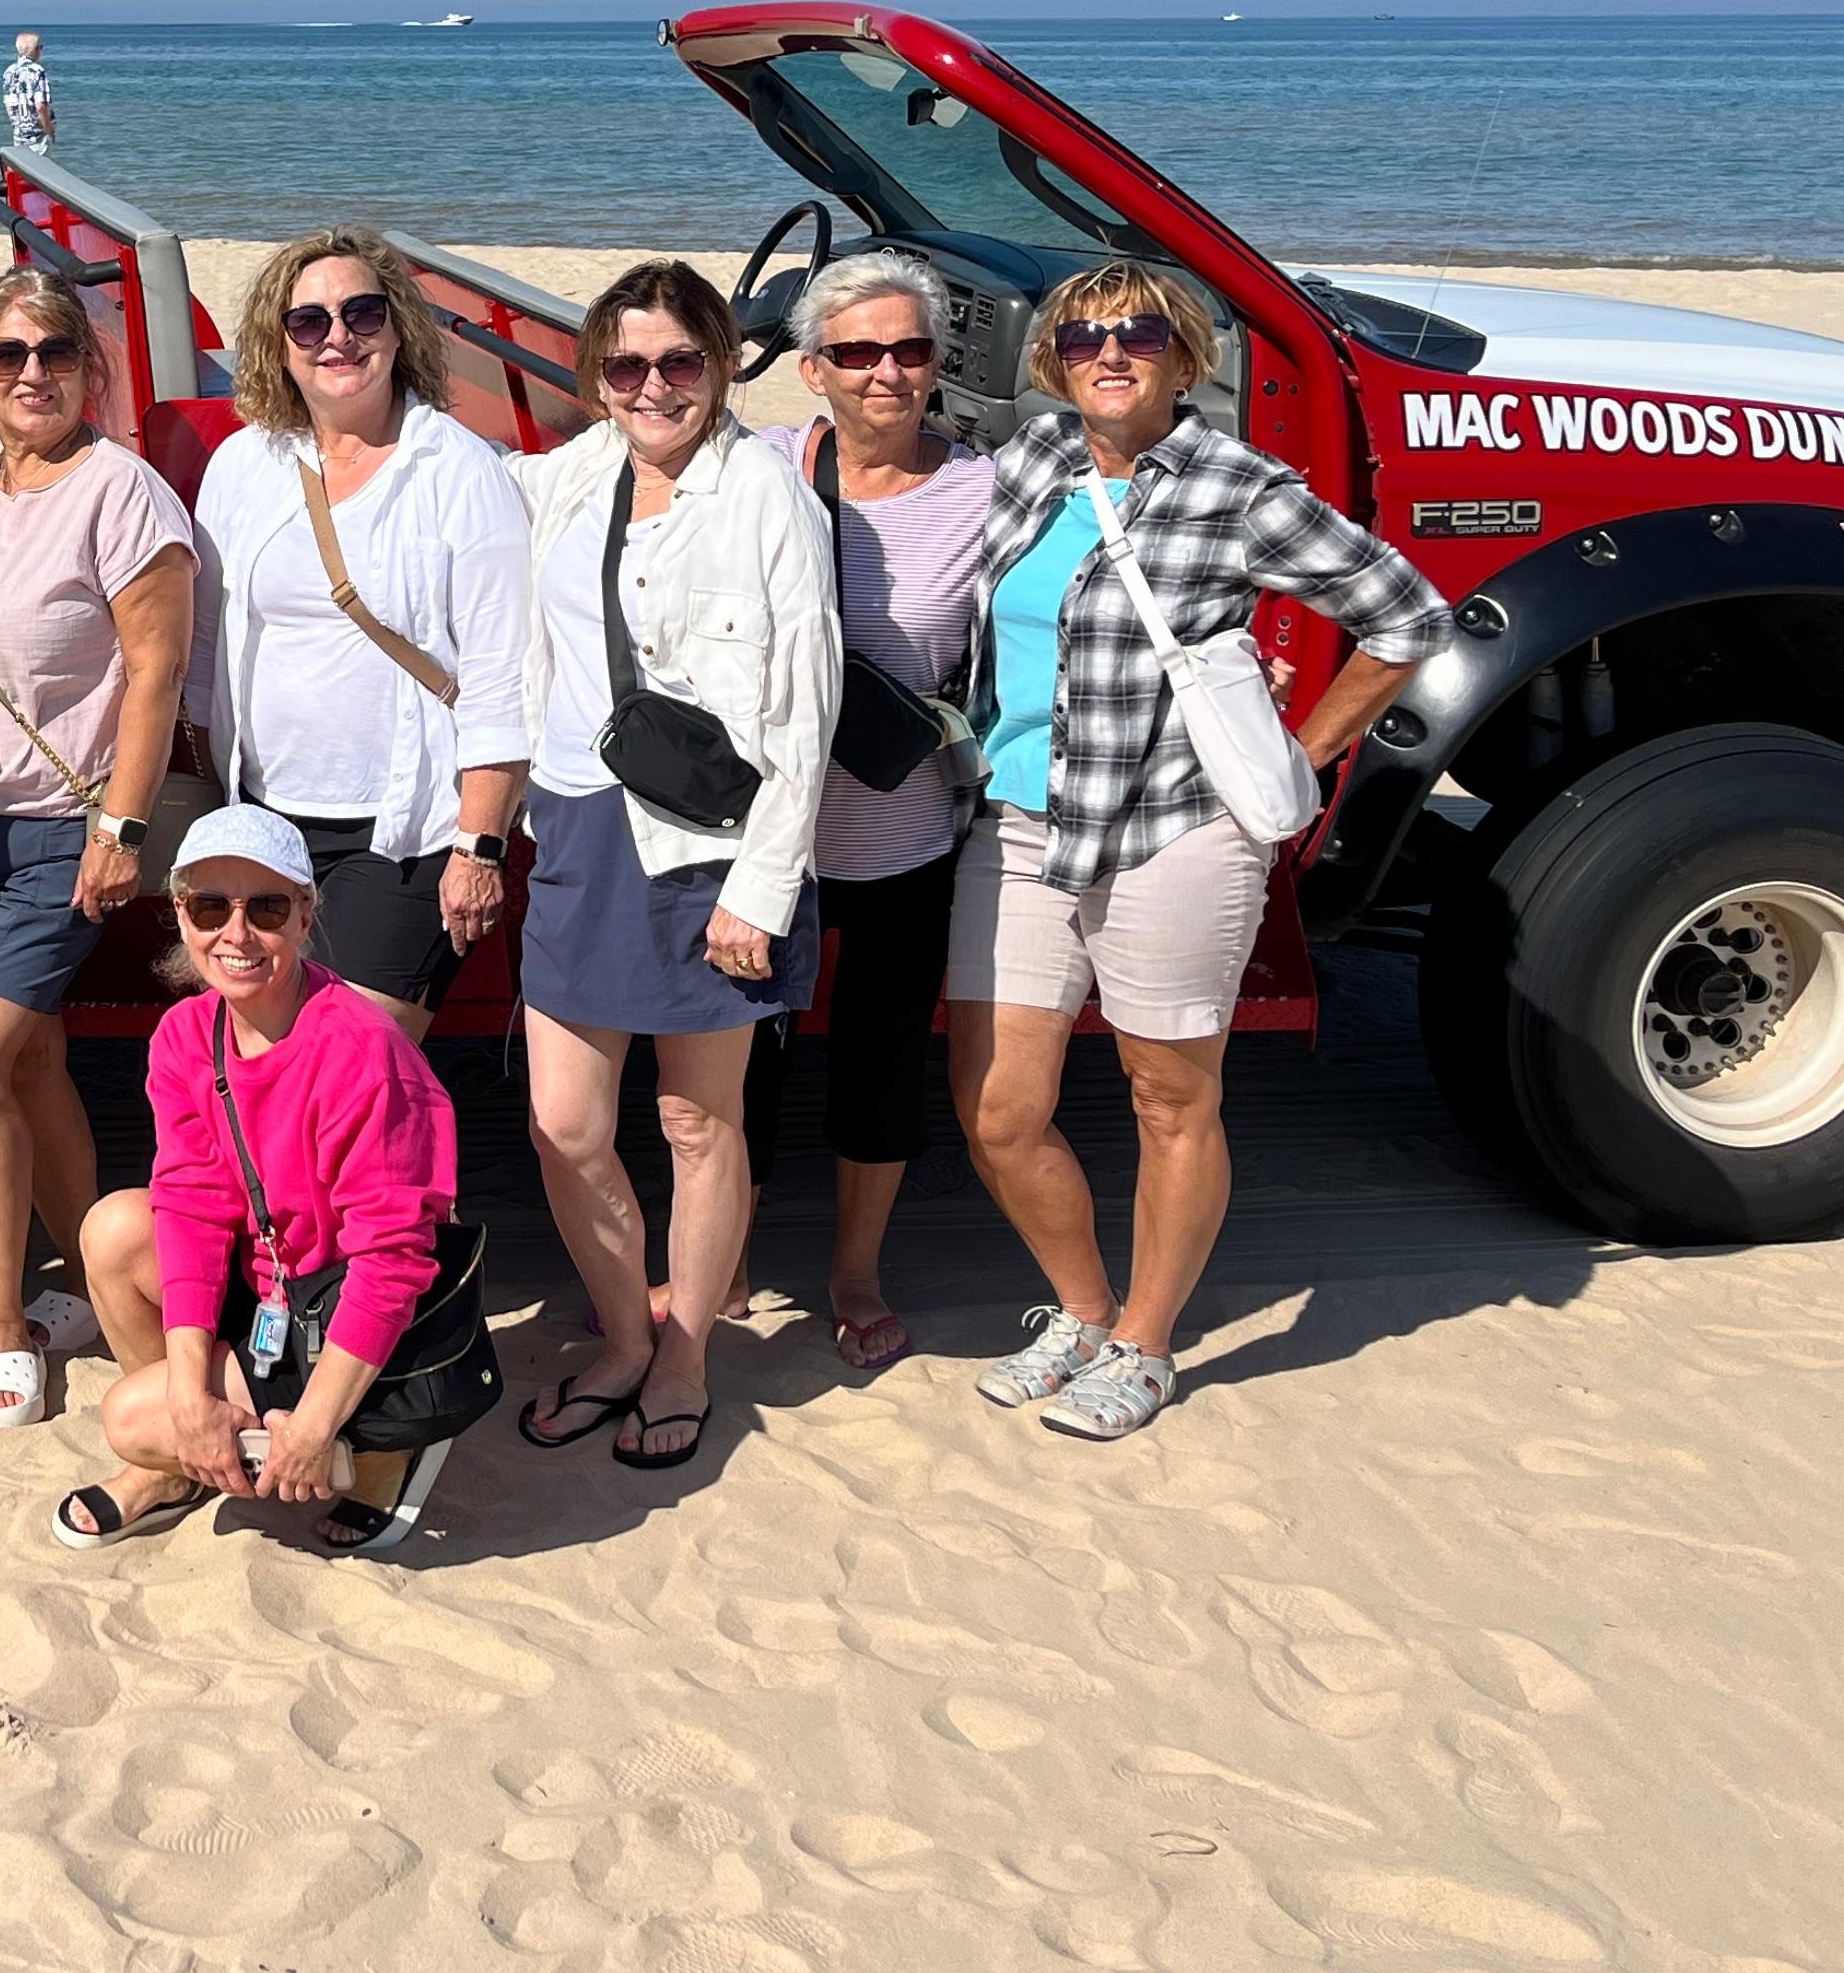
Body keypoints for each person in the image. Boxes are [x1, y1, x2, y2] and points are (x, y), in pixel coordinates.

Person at [953, 260, 1453, 1440]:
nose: (1108, 354)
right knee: (998, 1111)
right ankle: (1080, 1310)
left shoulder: (1238, 485)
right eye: (1081, 339)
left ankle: (1146, 1341)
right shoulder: (1027, 465)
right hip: (1017, 823)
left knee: (1169, 1097)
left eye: (1137, 335)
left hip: (1173, 831)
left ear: (1183, 358)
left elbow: (1405, 613)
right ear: (1052, 362)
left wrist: (1302, 755)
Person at [503, 263, 839, 1474]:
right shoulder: (576, 471)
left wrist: (765, 887)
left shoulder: (767, 498)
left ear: (722, 364)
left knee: (699, 1119)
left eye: (681, 362)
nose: (654, 387)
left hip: (710, 846)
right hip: (582, 823)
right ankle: (624, 1328)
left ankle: (684, 1353)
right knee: (562, 1122)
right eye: (628, 365)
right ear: (597, 376)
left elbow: (805, 705)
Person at [0, 269, 196, 1429]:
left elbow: (156, 673)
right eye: (5, 354)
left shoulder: (124, 494)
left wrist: (120, 827)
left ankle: (1, 1325)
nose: (30, 374)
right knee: (26, 1067)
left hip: (59, 834)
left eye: (53, 352)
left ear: (89, 367)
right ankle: (88, 1282)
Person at [55, 806, 463, 1558]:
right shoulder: (186, 1033)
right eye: (211, 905)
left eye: (266, 907)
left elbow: (393, 1260)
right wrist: (188, 1389)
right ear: (180, 913)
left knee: (127, 1419)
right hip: (272, 1283)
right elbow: (192, 1207)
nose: (236, 934)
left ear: (306, 916)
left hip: (343, 1306)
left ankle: (376, 1456)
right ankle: (190, 1454)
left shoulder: (359, 1047)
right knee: (114, 1229)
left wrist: (312, 1427)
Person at [737, 251, 997, 1372]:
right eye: (857, 352)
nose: (886, 373)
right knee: (737, 1063)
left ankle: (853, 1272)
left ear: (941, 365)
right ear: (813, 371)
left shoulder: (989, 493)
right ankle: (725, 1261)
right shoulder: (760, 469)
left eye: (911, 350)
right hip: (764, 839)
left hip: (905, 833)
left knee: (879, 1065)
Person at [189, 226, 529, 1041]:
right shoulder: (244, 466)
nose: (338, 337)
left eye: (362, 313)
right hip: (268, 819)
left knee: (348, 1056)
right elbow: (203, 649)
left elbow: (502, 674)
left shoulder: (458, 470)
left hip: (408, 830)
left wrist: (479, 848)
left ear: (399, 326)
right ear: (280, 346)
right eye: (309, 322)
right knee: (268, 1055)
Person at [1, 34, 56, 151]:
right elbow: (40, 105)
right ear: (35, 50)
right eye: (40, 47)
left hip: (19, 134)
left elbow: (9, 103)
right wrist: (48, 130)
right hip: (37, 137)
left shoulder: (9, 71)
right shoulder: (37, 71)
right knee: (41, 168)